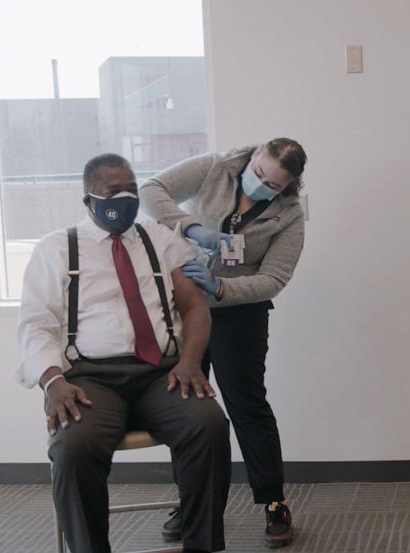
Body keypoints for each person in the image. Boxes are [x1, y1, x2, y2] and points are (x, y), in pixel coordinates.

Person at [15, 153, 231, 553]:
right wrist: (52, 381)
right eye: (113, 192)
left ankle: (202, 544)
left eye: (132, 190)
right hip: (90, 379)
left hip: (160, 374)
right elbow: (35, 323)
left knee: (209, 425)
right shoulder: (57, 249)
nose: (126, 199)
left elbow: (195, 307)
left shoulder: (161, 239)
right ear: (88, 200)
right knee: (73, 448)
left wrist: (190, 362)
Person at [139, 138, 307, 548]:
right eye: (259, 173)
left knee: (246, 405)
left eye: (272, 185)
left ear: (288, 187)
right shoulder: (216, 167)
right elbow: (150, 190)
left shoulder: (289, 216)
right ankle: (189, 502)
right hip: (188, 308)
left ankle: (272, 502)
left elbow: (275, 279)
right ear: (252, 158)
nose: (261, 184)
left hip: (239, 315)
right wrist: (191, 227)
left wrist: (222, 288)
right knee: (187, 407)